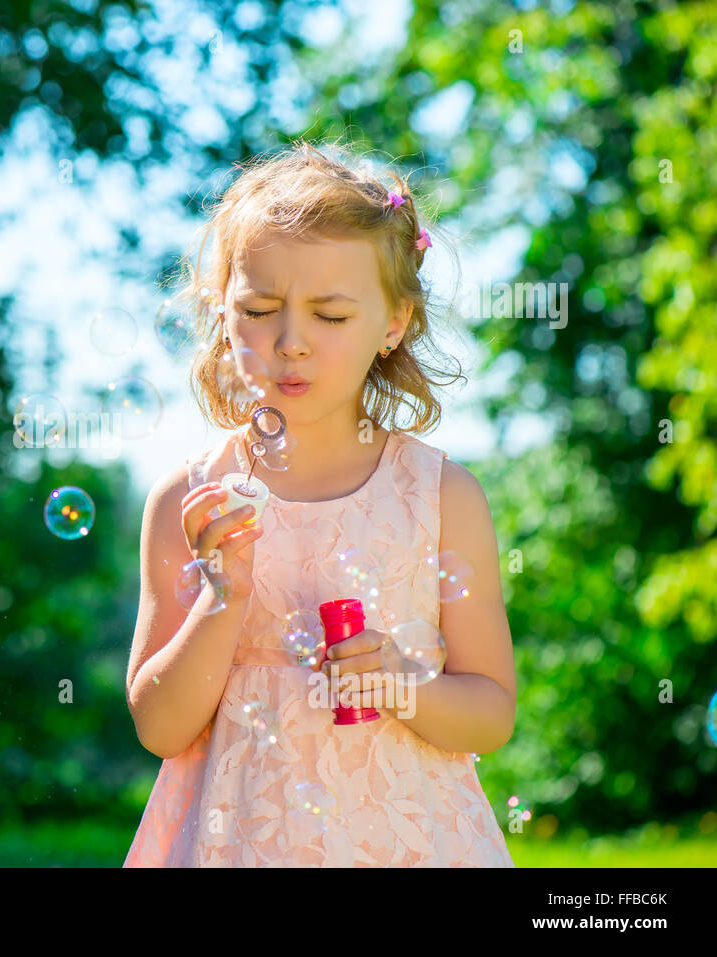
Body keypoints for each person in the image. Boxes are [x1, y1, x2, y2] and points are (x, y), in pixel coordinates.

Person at [124, 142, 515, 866]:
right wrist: (223, 595)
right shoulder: (191, 498)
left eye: (330, 316)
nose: (291, 341)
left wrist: (404, 681)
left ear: (394, 322)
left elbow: (490, 713)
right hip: (241, 839)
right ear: (223, 312)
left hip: (406, 838)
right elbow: (159, 726)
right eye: (260, 308)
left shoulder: (440, 495)